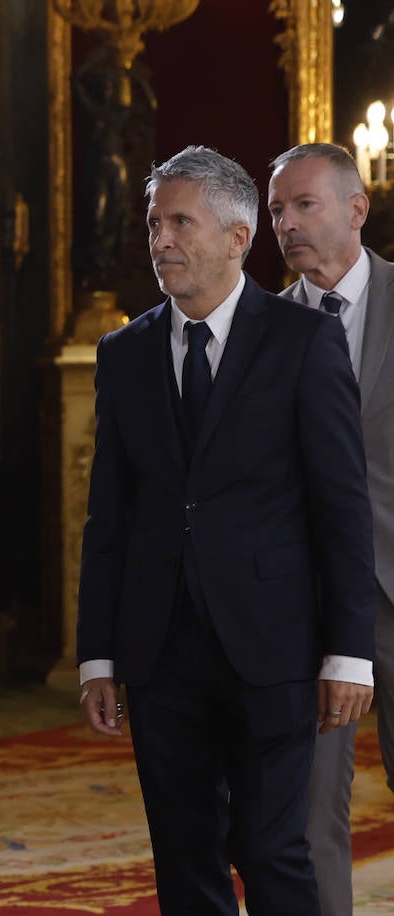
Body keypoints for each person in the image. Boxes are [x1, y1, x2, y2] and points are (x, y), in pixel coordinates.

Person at [77, 145, 375, 913]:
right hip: (158, 651)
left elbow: (340, 508)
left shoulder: (303, 342)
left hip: (275, 649)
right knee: (184, 858)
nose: (161, 240)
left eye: (181, 222)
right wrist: (97, 655)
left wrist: (350, 652)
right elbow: (107, 517)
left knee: (274, 850)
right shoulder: (123, 353)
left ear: (239, 239)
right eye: (153, 223)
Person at [267, 141, 394, 916]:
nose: (286, 224)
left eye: (303, 205)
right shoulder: (263, 330)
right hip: (306, 609)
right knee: (308, 814)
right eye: (277, 209)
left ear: (356, 208)